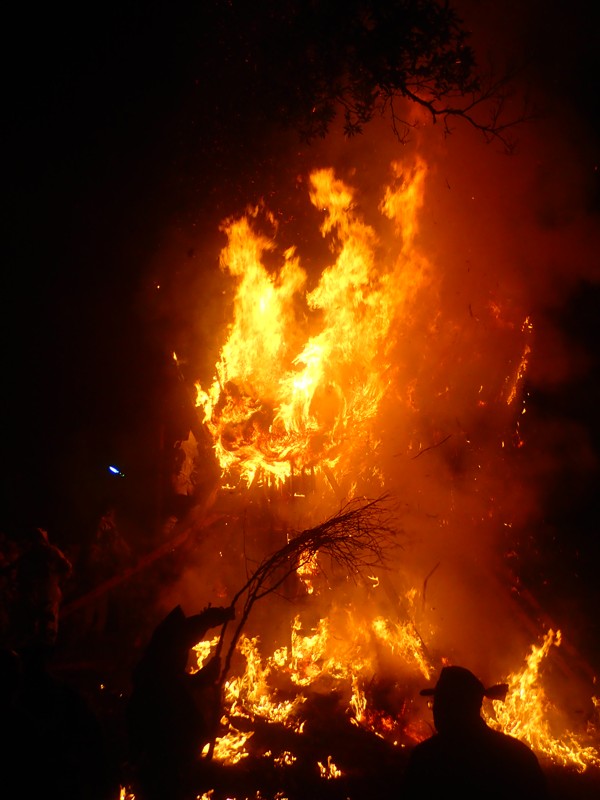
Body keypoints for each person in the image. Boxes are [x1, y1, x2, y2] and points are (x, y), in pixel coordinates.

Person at [127, 602, 235, 800]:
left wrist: (204, 677)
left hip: (161, 757)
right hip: (158, 758)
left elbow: (182, 679)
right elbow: (185, 635)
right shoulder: (157, 672)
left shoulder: (161, 663)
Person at [403, 665, 549, 799]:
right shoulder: (518, 754)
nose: (434, 709)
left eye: (438, 703)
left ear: (453, 707)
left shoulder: (427, 758)